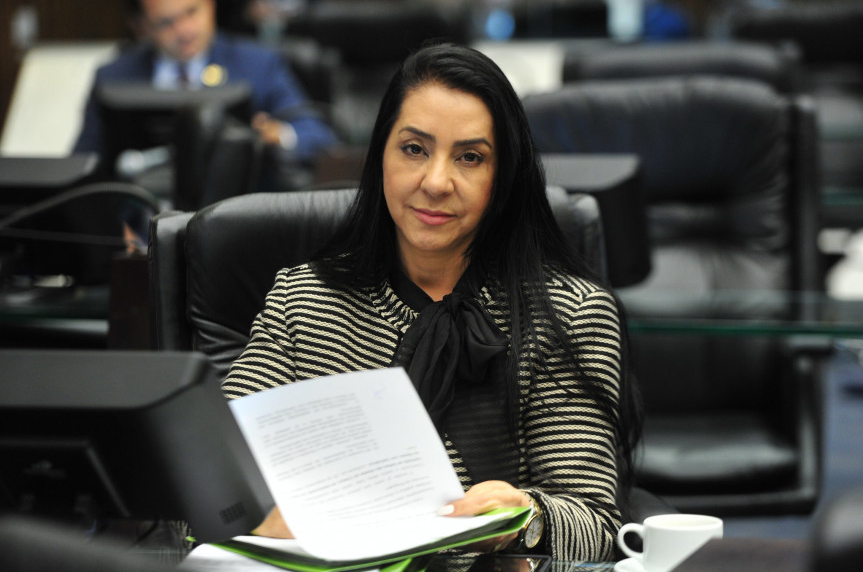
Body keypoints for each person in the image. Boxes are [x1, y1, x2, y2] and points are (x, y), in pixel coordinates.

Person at [222, 43, 641, 562]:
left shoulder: (567, 314)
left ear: (502, 177)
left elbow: (598, 525)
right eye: (414, 149)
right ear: (381, 157)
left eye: (470, 157)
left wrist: (525, 516)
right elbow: (218, 468)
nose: (436, 182)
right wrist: (261, 510)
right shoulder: (303, 300)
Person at [73, 0, 336, 168]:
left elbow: (319, 136)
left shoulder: (257, 63)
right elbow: (83, 164)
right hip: (140, 223)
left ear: (210, 4)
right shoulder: (113, 76)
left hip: (235, 219)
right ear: (141, 26)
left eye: (191, 12)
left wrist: (277, 135)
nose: (184, 30)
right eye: (166, 22)